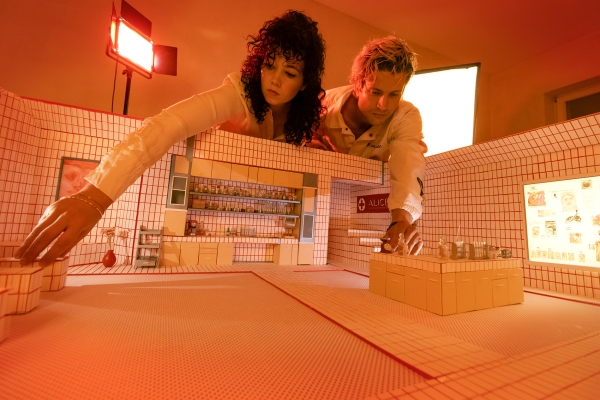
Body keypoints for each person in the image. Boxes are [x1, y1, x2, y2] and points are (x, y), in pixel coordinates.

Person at [16, 10, 326, 266]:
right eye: (269, 65)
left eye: (289, 72)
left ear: (304, 83)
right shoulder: (241, 93)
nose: (274, 79)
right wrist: (93, 197)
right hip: (204, 195)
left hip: (262, 213)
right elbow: (169, 124)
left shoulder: (302, 122)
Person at [308, 36, 425, 254]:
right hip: (318, 202)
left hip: (359, 204)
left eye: (394, 94)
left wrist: (402, 218)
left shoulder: (406, 116)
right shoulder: (320, 107)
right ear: (357, 86)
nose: (383, 105)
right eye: (376, 92)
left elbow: (408, 161)